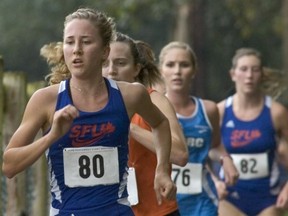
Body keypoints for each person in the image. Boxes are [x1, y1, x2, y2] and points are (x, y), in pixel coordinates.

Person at [2, 8, 176, 216]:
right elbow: (9, 166)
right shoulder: (46, 100)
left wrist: (163, 169)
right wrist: (52, 136)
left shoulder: (130, 95)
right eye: (69, 42)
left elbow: (161, 124)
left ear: (105, 51)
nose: (76, 50)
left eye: (86, 42)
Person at [102, 32, 188, 216]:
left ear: (136, 69)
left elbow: (180, 154)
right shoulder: (89, 106)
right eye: (104, 63)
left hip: (157, 211)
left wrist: (130, 127)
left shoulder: (154, 101)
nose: (111, 71)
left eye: (120, 63)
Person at [158, 41, 239, 216]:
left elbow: (215, 146)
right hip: (163, 199)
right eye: (170, 65)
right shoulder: (151, 110)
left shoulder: (208, 110)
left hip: (201, 200)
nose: (177, 71)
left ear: (194, 70)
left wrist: (226, 159)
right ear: (160, 70)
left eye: (184, 65)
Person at [217, 47, 288, 216]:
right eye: (243, 69)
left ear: (262, 75)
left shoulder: (276, 112)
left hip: (268, 198)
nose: (249, 75)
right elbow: (203, 151)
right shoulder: (220, 111)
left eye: (255, 70)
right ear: (233, 74)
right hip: (229, 197)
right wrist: (214, 181)